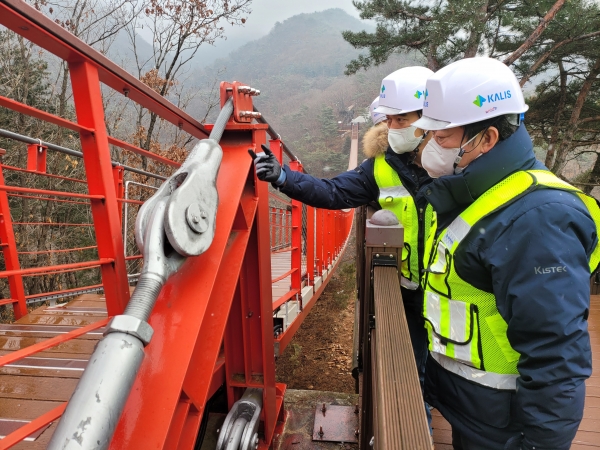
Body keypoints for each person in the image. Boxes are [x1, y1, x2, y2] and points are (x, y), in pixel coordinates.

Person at [412, 57, 600, 450]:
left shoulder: (539, 220)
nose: (431, 147)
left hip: (507, 427)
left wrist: (540, 444)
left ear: (487, 138)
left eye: (442, 137)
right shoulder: (475, 191)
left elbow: (555, 355)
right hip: (476, 411)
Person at [251, 65, 436, 420]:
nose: (392, 127)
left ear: (427, 117)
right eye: (390, 119)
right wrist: (284, 177)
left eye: (401, 119)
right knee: (415, 373)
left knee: (454, 376)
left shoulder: (457, 158)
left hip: (454, 289)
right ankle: (421, 424)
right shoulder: (379, 167)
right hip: (409, 290)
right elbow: (334, 192)